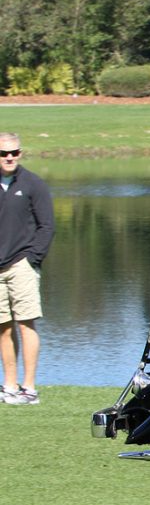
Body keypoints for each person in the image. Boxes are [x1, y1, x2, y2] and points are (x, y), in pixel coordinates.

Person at [0, 132, 54, 405]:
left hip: (22, 264)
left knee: (26, 323)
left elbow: (47, 226)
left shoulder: (33, 184)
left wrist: (32, 258)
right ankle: (9, 386)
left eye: (14, 153)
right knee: (3, 327)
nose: (10, 158)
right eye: (4, 154)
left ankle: (29, 388)